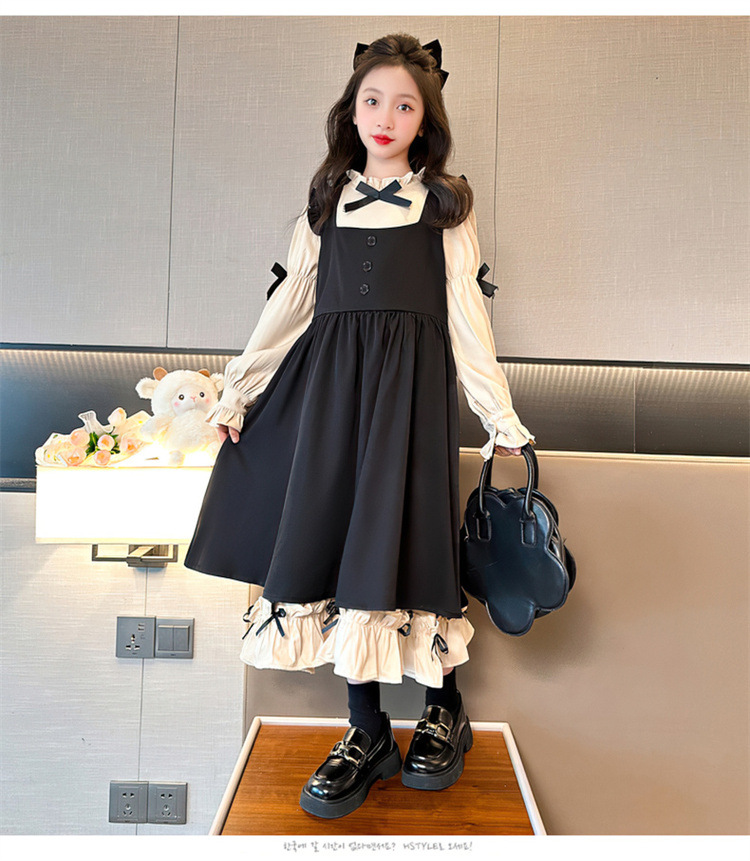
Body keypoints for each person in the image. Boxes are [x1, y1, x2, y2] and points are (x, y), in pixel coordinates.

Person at [184, 33, 535, 819]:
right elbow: (289, 306)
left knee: (412, 534)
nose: (385, 116)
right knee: (339, 538)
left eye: (404, 105)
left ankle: (444, 708)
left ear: (425, 119)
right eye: (372, 100)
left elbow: (467, 317)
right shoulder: (325, 202)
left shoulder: (446, 205)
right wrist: (238, 394)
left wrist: (498, 414)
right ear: (351, 110)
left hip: (412, 395)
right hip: (332, 393)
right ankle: (366, 727)